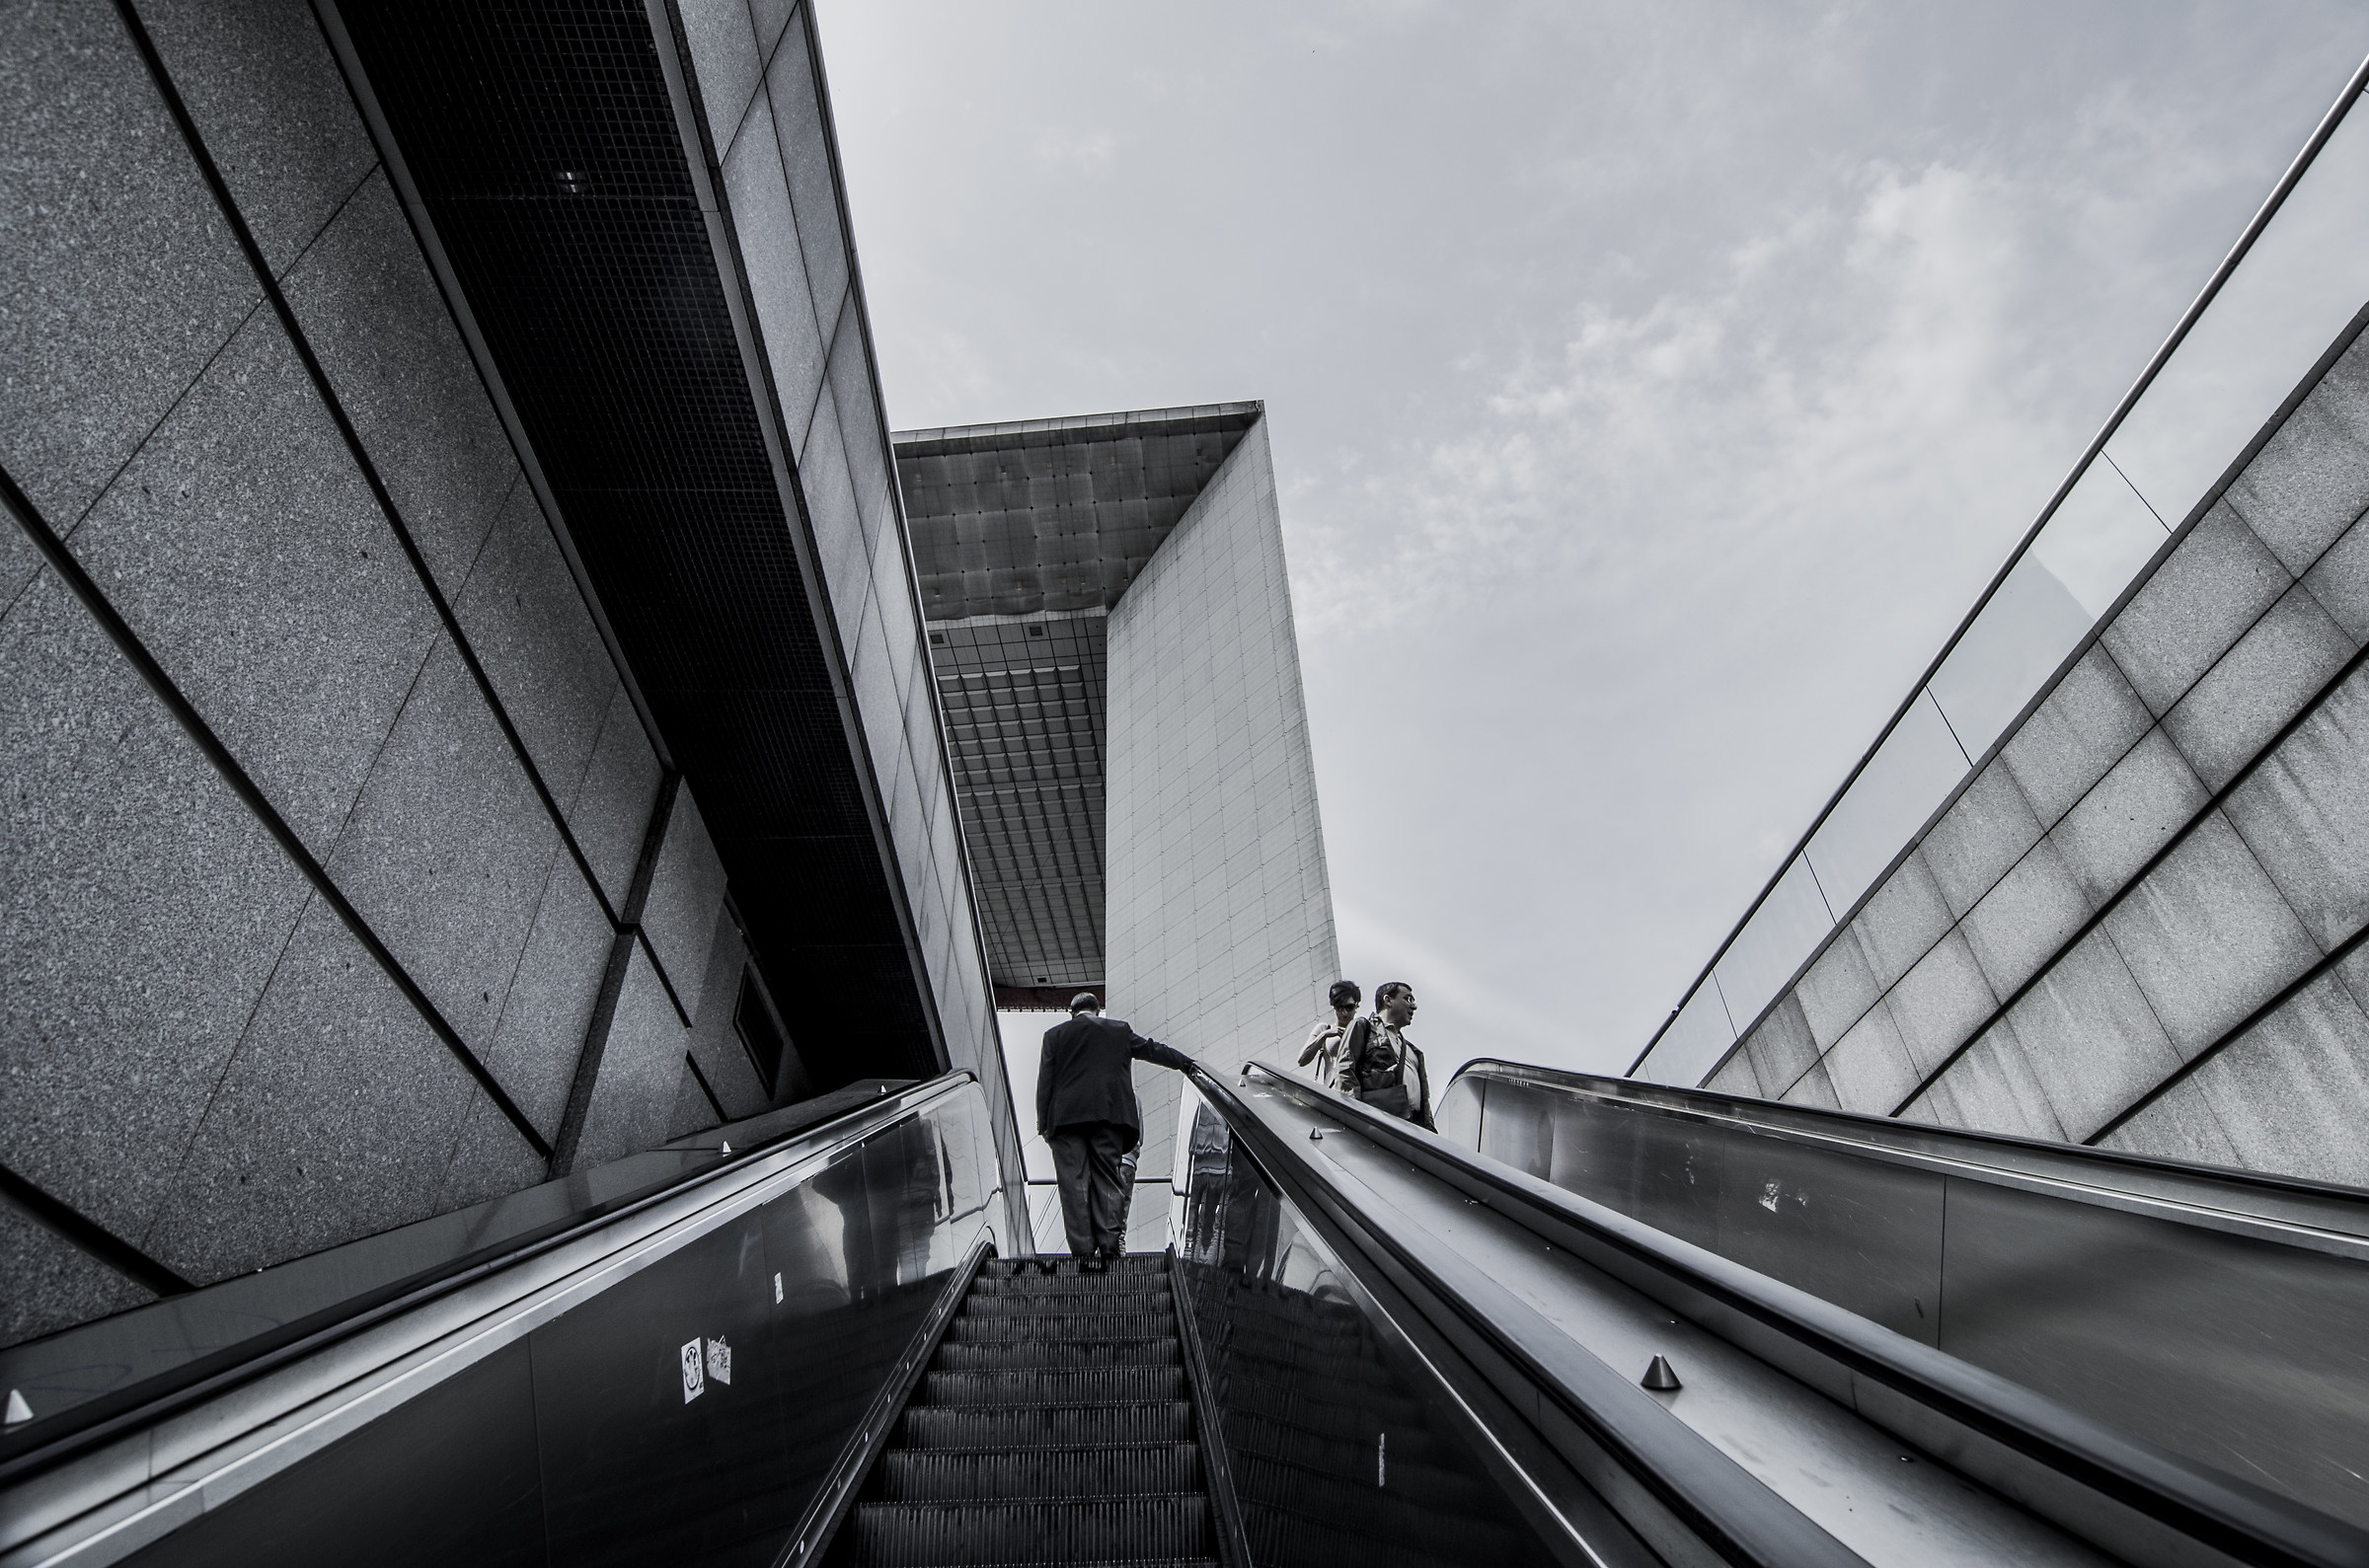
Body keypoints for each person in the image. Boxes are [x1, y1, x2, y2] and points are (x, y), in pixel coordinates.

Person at [1037, 993, 1193, 1269]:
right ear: (1097, 1010)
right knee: (1108, 1178)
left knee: (1073, 1184)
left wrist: (1044, 1124)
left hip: (1066, 1119)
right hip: (1108, 1115)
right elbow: (1151, 1049)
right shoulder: (1118, 1030)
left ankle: (1083, 1253)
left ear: (1072, 1012)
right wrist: (1185, 1063)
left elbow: (1045, 1082)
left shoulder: (1054, 1035)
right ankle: (1109, 1247)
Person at [1339, 981, 1434, 1130]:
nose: (1413, 1006)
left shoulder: (1412, 1051)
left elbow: (1425, 1100)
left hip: (1414, 1127)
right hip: (1379, 1123)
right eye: (1408, 999)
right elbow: (1346, 1070)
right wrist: (1355, 1115)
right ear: (1388, 1000)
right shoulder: (1365, 1028)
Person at [1295, 980, 1362, 1088]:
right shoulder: (1324, 1029)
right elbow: (1301, 1060)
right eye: (1339, 1007)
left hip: (1356, 1091)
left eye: (1349, 1007)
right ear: (1333, 1006)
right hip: (1332, 1090)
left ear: (1356, 1005)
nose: (1344, 1013)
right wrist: (1324, 1035)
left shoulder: (1362, 1030)